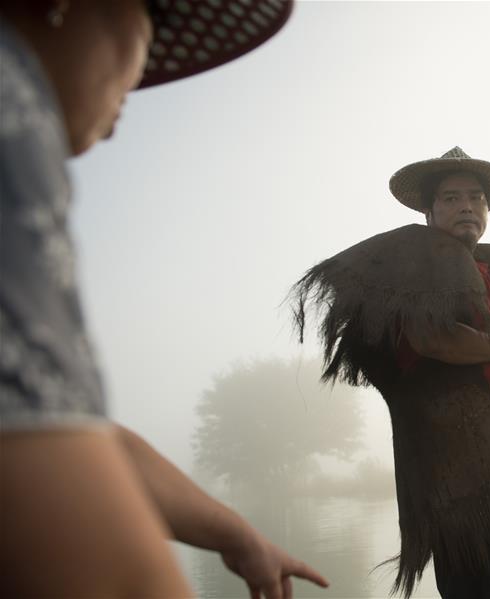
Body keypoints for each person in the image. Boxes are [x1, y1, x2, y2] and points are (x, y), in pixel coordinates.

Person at [0, 1, 328, 597]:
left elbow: (67, 426)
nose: (134, 90)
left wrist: (238, 535)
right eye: (152, 30)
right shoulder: (11, 102)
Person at [290, 146, 490, 598]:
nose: (467, 206)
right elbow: (434, 340)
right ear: (428, 212)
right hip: (464, 480)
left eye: (477, 197)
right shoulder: (417, 266)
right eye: (450, 198)